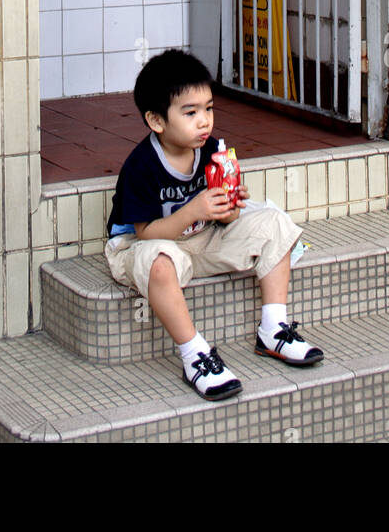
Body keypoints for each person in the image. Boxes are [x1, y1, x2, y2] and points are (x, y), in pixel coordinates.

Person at [105, 48, 324, 401]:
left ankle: (274, 329)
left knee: (273, 223)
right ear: (157, 121)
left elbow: (226, 219)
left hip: (199, 238)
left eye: (208, 109)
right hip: (145, 245)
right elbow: (146, 233)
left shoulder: (211, 149)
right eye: (190, 113)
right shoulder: (141, 166)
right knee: (160, 263)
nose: (204, 121)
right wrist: (194, 209)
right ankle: (195, 356)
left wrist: (230, 208)